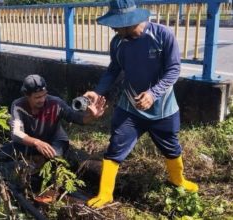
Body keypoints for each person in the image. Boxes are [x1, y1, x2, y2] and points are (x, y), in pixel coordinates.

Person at [84, 0, 199, 209]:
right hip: (130, 107)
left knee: (171, 145)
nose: (113, 28)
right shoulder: (118, 42)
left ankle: (178, 180)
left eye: (117, 24)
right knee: (116, 145)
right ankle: (105, 193)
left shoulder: (162, 35)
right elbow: (113, 69)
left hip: (163, 108)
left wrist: (153, 94)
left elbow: (173, 69)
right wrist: (98, 91)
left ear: (131, 21)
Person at [0, 74, 105, 162]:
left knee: (53, 156)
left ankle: (40, 161)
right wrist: (37, 143)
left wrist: (92, 116)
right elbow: (16, 133)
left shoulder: (55, 103)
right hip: (33, 143)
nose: (42, 99)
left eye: (44, 95)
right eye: (37, 97)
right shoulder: (18, 105)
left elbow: (77, 118)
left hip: (55, 143)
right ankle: (34, 159)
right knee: (1, 154)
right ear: (27, 95)